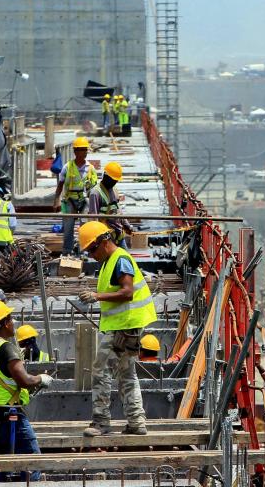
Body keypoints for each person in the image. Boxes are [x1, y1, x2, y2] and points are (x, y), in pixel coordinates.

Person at [76, 221, 156, 437]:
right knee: (127, 374)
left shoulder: (120, 259)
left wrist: (96, 296)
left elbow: (127, 292)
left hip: (124, 327)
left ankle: (101, 422)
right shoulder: (109, 261)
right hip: (125, 326)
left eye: (92, 249)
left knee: (101, 372)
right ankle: (136, 422)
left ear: (104, 241)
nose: (91, 255)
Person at [0, 300, 52, 481]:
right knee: (32, 462)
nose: (13, 322)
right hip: (8, 414)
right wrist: (41, 379)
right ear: (3, 323)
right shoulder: (6, 347)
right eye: (10, 318)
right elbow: (24, 380)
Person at [53, 137, 98, 255]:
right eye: (82, 150)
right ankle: (67, 250)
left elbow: (95, 189)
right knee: (68, 226)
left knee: (85, 226)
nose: (85, 152)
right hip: (69, 200)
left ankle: (84, 250)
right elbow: (60, 185)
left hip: (85, 200)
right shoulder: (67, 167)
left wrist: (95, 206)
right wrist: (56, 200)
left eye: (86, 150)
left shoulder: (91, 168)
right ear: (76, 151)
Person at [87, 162, 132, 249]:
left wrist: (127, 225)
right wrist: (98, 240)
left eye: (116, 181)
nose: (115, 182)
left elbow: (118, 210)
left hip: (119, 235)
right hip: (106, 239)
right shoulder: (95, 193)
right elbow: (93, 219)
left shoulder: (114, 190)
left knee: (125, 259)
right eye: (113, 180)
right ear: (106, 177)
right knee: (108, 262)